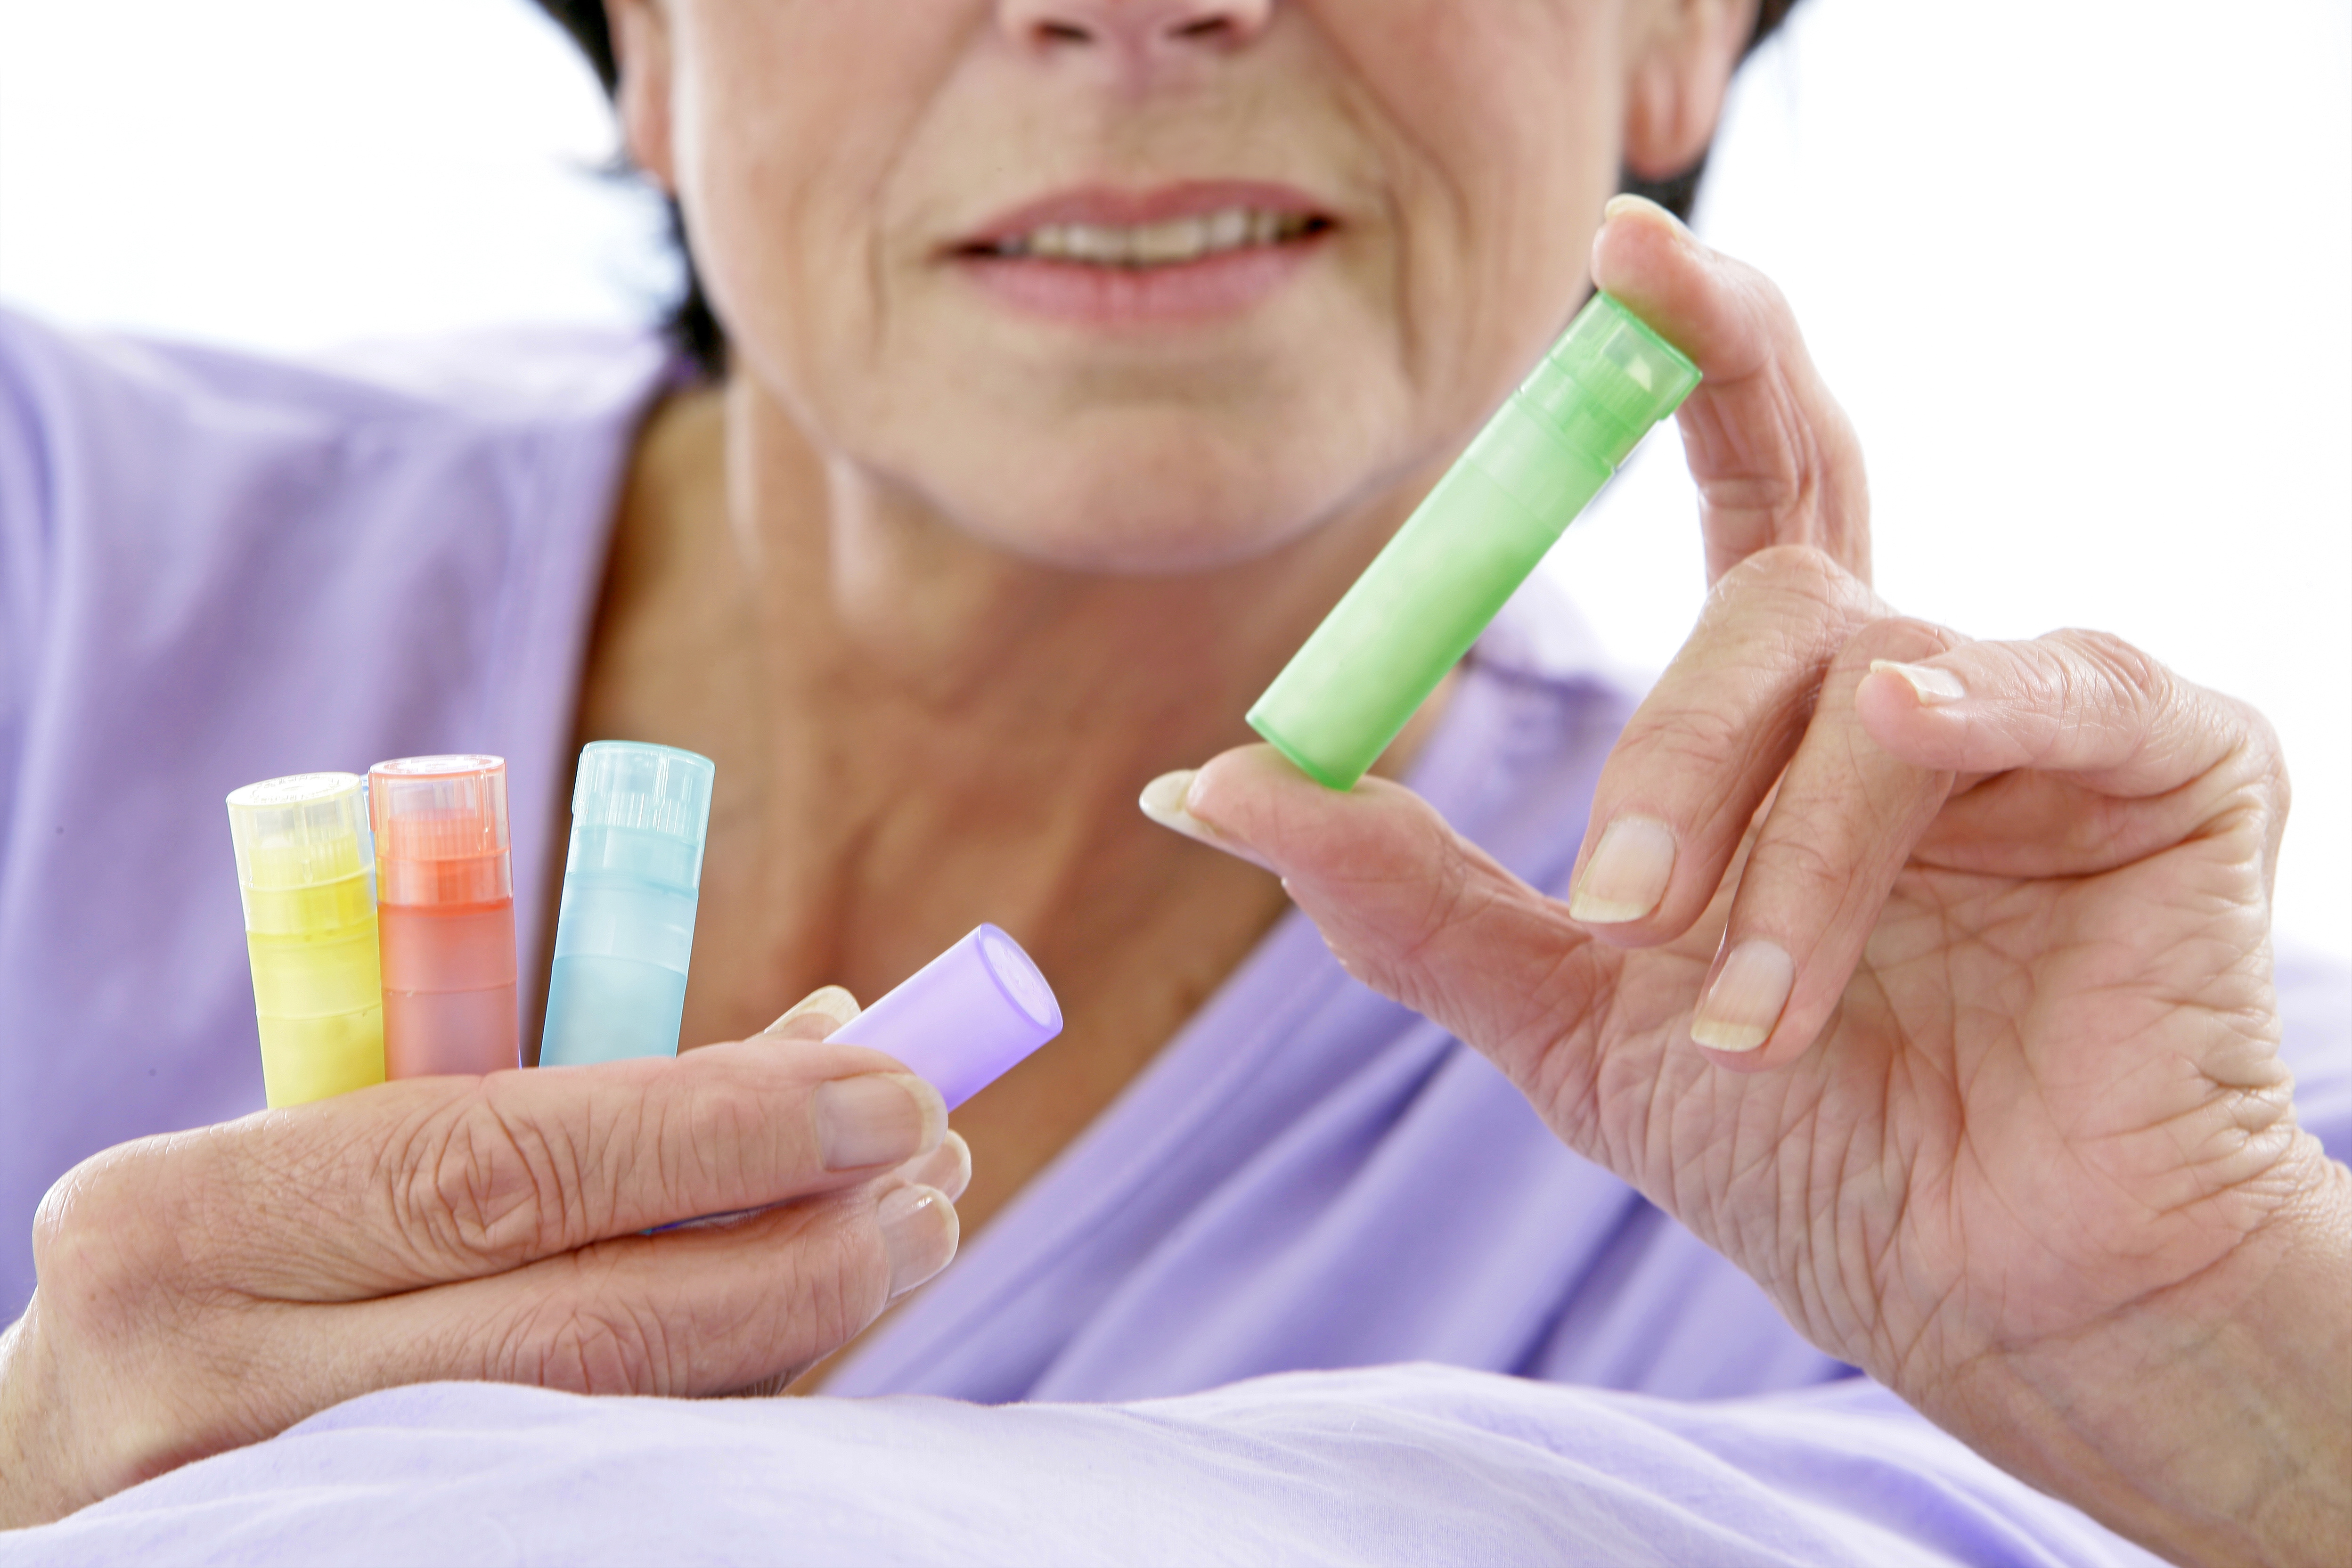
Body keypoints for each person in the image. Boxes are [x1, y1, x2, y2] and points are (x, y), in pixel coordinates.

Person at [0, 1, 2344, 1562]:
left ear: (1675, 18)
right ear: (643, 31)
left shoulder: (2115, 1111)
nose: (1140, 5)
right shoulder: (52, 553)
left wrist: (2207, 1365)